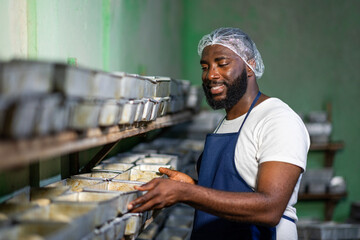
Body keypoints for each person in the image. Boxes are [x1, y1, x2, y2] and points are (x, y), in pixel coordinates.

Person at [127, 27, 310, 240]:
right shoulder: (225, 122)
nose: (211, 75)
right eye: (205, 67)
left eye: (222, 64)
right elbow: (230, 190)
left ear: (250, 66)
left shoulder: (277, 120)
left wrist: (186, 193)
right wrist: (191, 187)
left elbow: (270, 209)